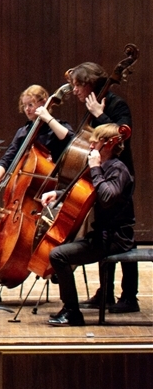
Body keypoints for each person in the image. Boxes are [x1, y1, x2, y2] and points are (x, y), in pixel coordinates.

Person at [0, 86, 73, 305]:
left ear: (44, 102)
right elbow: (7, 160)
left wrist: (48, 118)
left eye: (32, 104)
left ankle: (52, 265)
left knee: (43, 231)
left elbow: (70, 141)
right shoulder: (24, 131)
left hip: (52, 196)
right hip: (25, 201)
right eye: (25, 105)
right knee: (2, 235)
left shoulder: (58, 128)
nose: (28, 109)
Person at [44, 124, 134, 326]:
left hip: (115, 239)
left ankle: (72, 312)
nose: (91, 143)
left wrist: (95, 168)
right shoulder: (103, 167)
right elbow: (86, 193)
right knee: (58, 251)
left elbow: (106, 197)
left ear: (109, 145)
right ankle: (70, 309)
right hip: (100, 236)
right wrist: (58, 194)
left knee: (58, 255)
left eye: (96, 140)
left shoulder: (118, 169)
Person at [68, 61, 139, 313]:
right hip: (101, 173)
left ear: (89, 83)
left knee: (122, 234)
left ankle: (130, 297)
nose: (74, 90)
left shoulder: (116, 105)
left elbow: (122, 136)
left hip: (119, 175)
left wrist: (100, 115)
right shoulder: (92, 104)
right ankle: (105, 293)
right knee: (102, 230)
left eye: (77, 84)